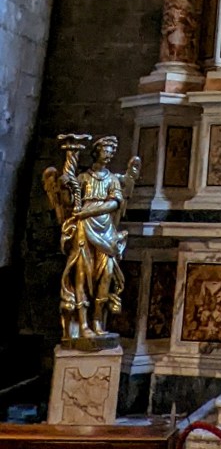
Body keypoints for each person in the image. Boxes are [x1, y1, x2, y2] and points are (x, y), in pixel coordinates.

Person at [46, 135, 140, 340]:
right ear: (96, 152)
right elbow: (69, 203)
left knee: (106, 272)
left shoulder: (112, 179)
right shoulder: (82, 178)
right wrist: (65, 185)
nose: (109, 155)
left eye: (112, 152)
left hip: (104, 228)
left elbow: (115, 203)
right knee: (82, 272)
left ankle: (97, 320)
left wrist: (89, 211)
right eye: (106, 151)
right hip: (84, 228)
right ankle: (82, 324)